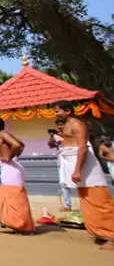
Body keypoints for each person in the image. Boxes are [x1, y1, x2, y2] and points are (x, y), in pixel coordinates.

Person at [55, 101, 114, 250]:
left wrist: (77, 170)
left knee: (99, 200)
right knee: (87, 200)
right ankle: (101, 233)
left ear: (67, 111)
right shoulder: (65, 126)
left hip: (85, 166)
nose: (56, 114)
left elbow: (82, 148)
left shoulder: (77, 124)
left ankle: (112, 236)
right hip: (72, 163)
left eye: (58, 111)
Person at [0, 116, 35, 234]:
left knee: (14, 196)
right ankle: (16, 223)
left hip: (10, 168)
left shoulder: (2, 134)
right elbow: (21, 145)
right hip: (9, 168)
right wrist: (13, 157)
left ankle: (22, 225)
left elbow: (17, 145)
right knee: (9, 195)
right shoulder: (2, 135)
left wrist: (9, 157)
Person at [49, 119, 75, 211]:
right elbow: (51, 145)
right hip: (62, 162)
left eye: (62, 124)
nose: (60, 127)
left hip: (75, 161)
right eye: (58, 125)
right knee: (63, 183)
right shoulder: (57, 136)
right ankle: (67, 205)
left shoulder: (74, 134)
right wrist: (52, 136)